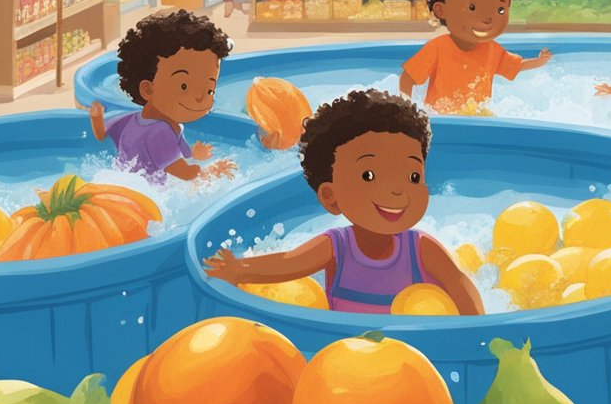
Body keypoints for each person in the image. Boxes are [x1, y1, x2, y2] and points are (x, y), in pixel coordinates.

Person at [203, 89, 484, 315]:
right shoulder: (336, 247)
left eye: (412, 176)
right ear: (331, 196)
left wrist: (476, 335)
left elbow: (460, 285)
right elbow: (289, 263)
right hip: (350, 363)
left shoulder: (421, 249)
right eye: (369, 175)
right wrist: (239, 269)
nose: (399, 191)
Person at [399, 0, 551, 115]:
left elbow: (516, 66)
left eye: (499, 9)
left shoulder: (492, 49)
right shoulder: (438, 48)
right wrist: (407, 110)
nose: (488, 18)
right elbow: (408, 79)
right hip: (443, 119)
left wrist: (539, 61)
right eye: (472, 7)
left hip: (479, 117)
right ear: (441, 9)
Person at [88, 10, 237, 183]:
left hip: (123, 184)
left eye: (209, 90)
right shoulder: (159, 132)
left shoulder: (133, 120)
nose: (200, 98)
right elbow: (185, 174)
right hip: (148, 196)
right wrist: (212, 171)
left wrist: (96, 119)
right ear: (148, 90)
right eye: (184, 86)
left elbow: (101, 135)